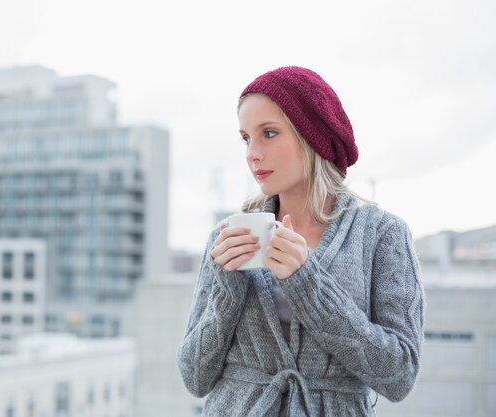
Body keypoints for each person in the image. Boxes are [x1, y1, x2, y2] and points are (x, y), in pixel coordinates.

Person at [177, 66, 424, 417]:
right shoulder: (227, 236)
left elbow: (399, 376)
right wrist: (226, 285)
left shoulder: (383, 235)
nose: (252, 153)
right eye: (246, 138)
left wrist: (308, 282)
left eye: (269, 133)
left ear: (313, 137)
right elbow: (194, 377)